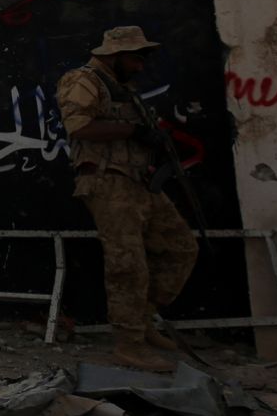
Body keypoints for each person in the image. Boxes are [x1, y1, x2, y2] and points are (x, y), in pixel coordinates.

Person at [57, 26, 199, 373]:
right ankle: (129, 343)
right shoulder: (85, 80)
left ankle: (143, 319)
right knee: (127, 265)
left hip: (139, 183)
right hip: (108, 184)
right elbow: (78, 127)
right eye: (135, 58)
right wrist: (134, 131)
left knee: (180, 247)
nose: (140, 65)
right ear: (114, 54)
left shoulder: (124, 88)